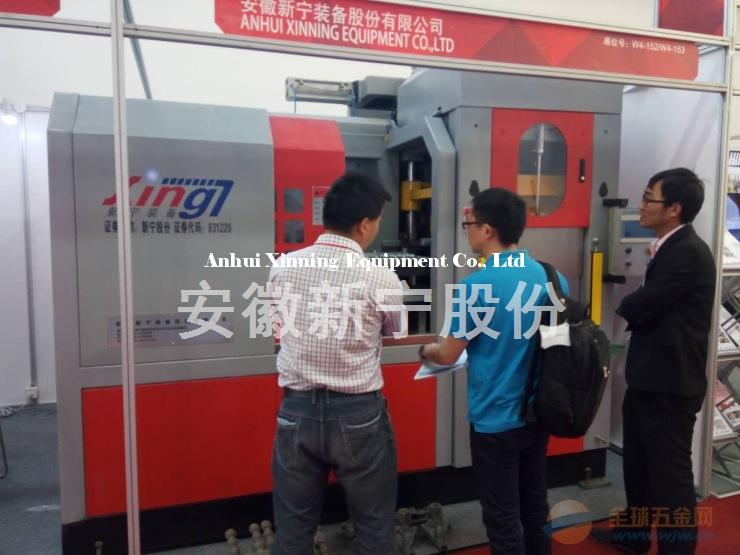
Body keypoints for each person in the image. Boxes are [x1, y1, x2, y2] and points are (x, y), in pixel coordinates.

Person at [420, 188, 567, 555]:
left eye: (468, 224)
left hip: (495, 420)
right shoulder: (552, 277)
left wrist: (426, 349)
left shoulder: (475, 286)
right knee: (535, 506)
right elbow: (557, 342)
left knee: (502, 518)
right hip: (539, 411)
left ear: (487, 230)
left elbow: (448, 353)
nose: (466, 231)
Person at [267, 172, 403, 555]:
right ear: (364, 224)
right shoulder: (381, 277)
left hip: (296, 413)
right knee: (374, 527)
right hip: (359, 416)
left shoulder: (283, 267)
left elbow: (277, 328)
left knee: (292, 530)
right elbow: (395, 332)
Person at [591, 168, 716, 554]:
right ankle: (635, 535)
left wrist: (617, 306)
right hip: (650, 378)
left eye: (649, 198)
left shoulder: (686, 252)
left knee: (670, 477)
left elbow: (642, 303)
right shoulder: (667, 247)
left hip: (671, 384)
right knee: (639, 464)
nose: (641, 206)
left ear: (674, 207)